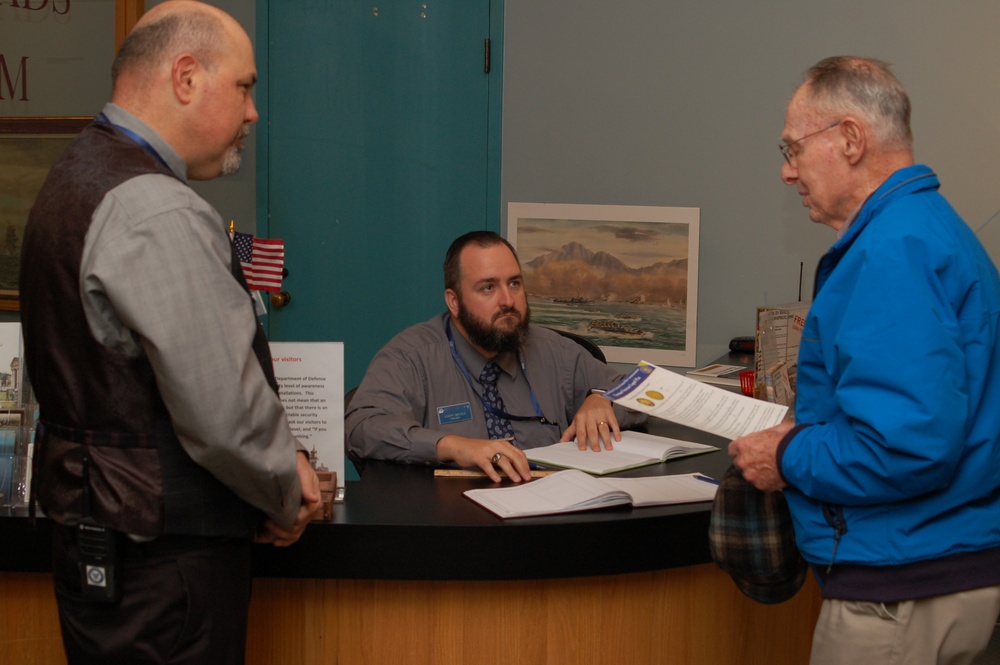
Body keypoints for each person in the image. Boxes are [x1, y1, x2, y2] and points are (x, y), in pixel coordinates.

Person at [19, 2, 322, 662]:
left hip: (98, 542)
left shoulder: (73, 177)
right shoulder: (156, 207)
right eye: (244, 86)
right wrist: (286, 489)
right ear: (185, 77)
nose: (252, 113)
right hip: (163, 570)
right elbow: (224, 417)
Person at [728, 56, 1000, 664]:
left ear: (850, 139)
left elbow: (904, 446)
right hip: (945, 570)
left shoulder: (892, 251)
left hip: (902, 591)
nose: (785, 170)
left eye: (792, 147)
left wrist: (786, 453)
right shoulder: (932, 229)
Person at [346, 230, 646, 482]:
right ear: (454, 301)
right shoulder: (411, 356)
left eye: (514, 283)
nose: (507, 300)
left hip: (552, 520)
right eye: (488, 287)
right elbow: (361, 427)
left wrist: (600, 397)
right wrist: (452, 446)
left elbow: (648, 391)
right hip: (454, 526)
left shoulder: (555, 351)